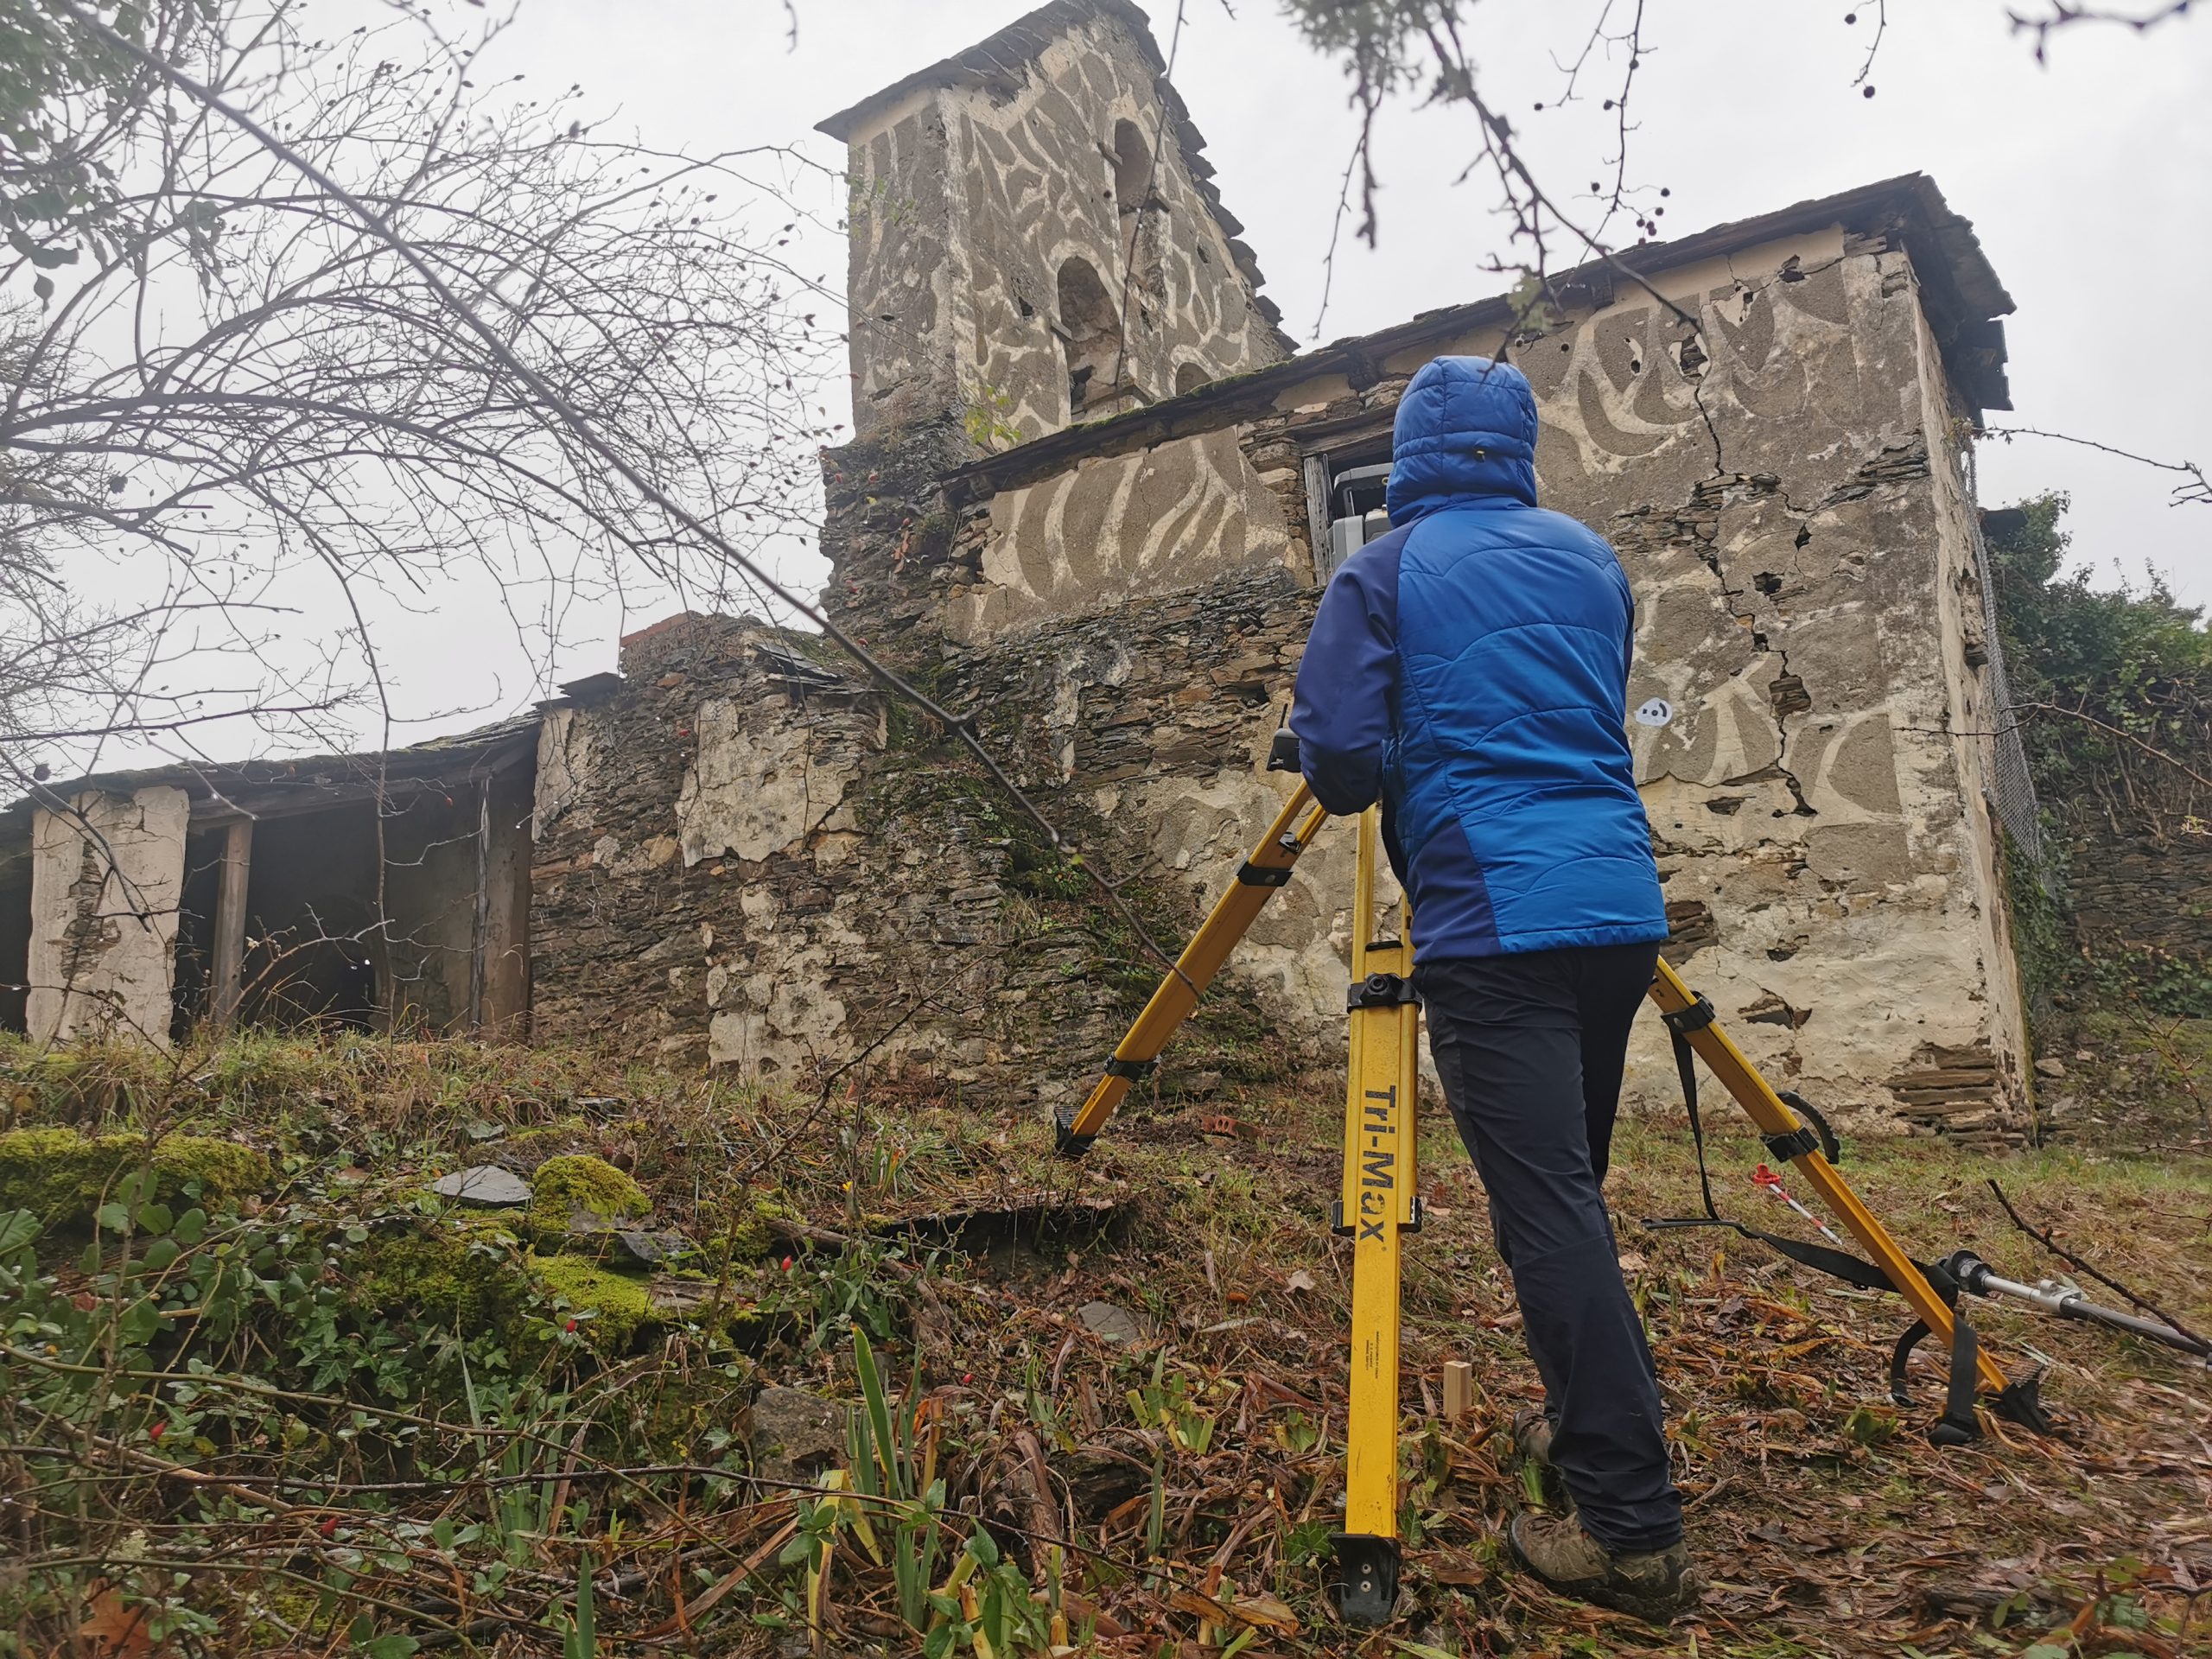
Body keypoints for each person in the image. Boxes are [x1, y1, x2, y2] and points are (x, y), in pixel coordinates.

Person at [1289, 354, 1700, 1621]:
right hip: (1618, 912)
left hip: (1493, 921)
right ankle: (1590, 1436)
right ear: (1517, 448)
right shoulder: (1593, 558)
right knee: (1572, 1200)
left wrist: (1375, 728)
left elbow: (1346, 767)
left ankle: (1633, 1535)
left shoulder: (1383, 568)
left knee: (1548, 1221)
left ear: (1407, 452)